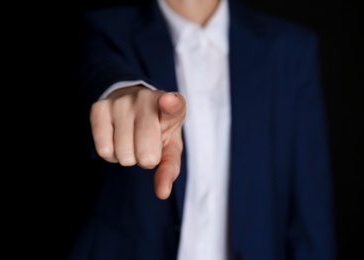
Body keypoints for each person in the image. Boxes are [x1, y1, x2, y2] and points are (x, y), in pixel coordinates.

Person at [69, 0, 335, 259]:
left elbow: (310, 208)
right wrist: (125, 93)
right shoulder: (102, 28)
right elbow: (100, 72)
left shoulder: (290, 49)